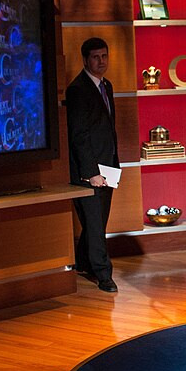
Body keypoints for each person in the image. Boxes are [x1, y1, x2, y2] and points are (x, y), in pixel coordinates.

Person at [65, 37, 119, 293]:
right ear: (85, 59)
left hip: (108, 166)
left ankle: (84, 262)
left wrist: (112, 165)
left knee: (98, 222)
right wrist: (91, 173)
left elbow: (107, 129)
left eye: (104, 56)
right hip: (90, 171)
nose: (101, 61)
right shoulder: (77, 89)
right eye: (96, 57)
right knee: (96, 225)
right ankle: (103, 275)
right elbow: (79, 135)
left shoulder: (106, 85)